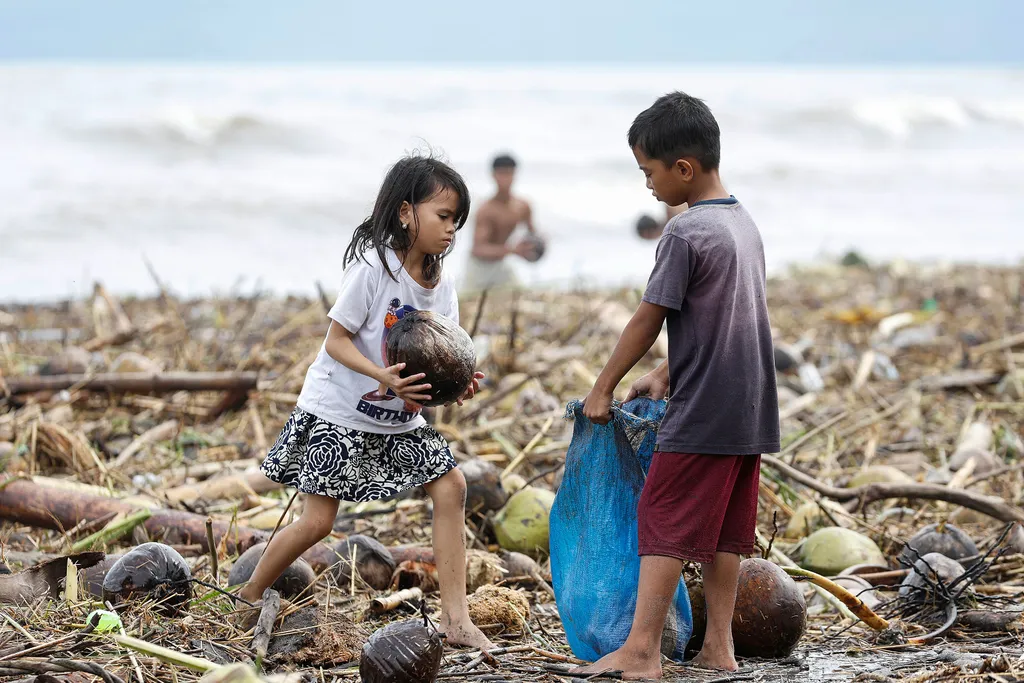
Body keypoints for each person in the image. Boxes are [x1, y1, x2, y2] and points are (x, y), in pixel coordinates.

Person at [237, 155, 494, 650]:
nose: (450, 231)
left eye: (456, 221)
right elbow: (335, 341)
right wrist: (383, 377)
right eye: (443, 216)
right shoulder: (374, 269)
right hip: (338, 409)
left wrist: (456, 386)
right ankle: (248, 594)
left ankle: (456, 620)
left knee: (451, 485)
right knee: (317, 522)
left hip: (397, 420)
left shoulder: (442, 287)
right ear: (404, 212)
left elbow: (442, 358)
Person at [578, 92, 780, 678]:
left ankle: (640, 652)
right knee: (725, 531)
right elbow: (732, 317)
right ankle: (720, 648)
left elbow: (650, 316)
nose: (647, 186)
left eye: (649, 172)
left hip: (705, 410)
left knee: (661, 516)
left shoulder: (685, 233)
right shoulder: (743, 225)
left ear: (683, 169)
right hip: (750, 407)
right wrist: (666, 373)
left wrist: (603, 387)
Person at [463, 154, 540, 291]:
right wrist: (513, 250)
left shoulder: (522, 206)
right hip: (480, 267)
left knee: (521, 295)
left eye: (509, 173)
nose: (506, 179)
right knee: (465, 303)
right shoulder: (485, 210)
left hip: (501, 263)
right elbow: (478, 249)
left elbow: (534, 235)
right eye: (502, 174)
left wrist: (536, 246)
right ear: (493, 175)